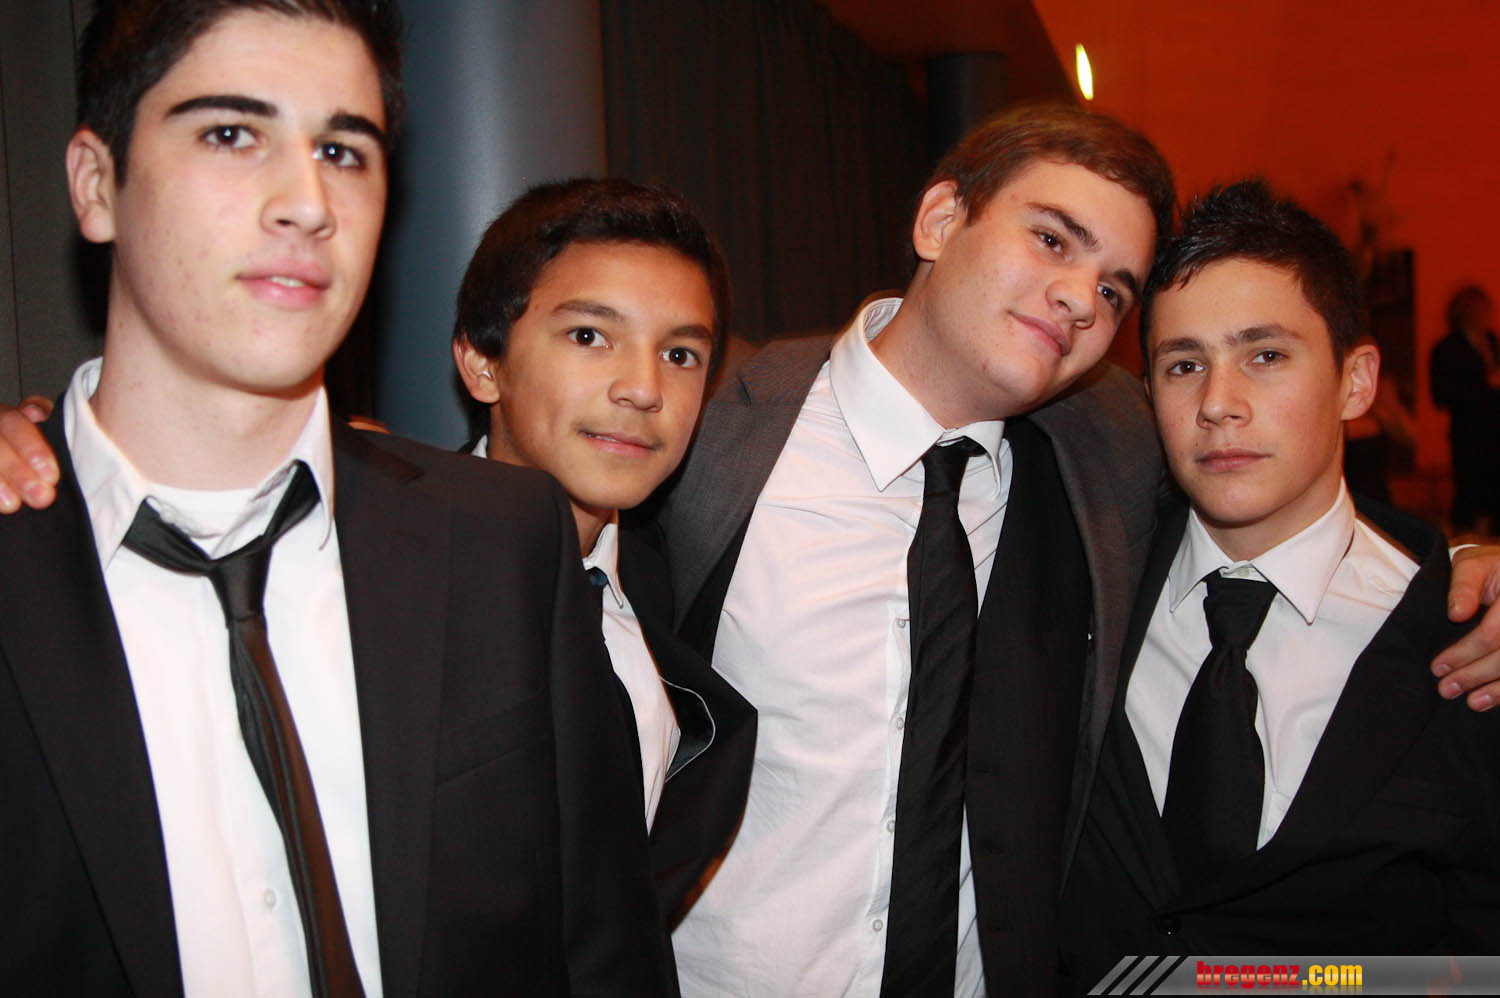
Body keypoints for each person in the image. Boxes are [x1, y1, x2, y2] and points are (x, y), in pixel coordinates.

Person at [651, 104, 1500, 996]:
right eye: (1053, 239)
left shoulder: (1095, 460)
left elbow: (1295, 499)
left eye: (1113, 291)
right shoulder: (711, 427)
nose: (1079, 299)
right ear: (939, 220)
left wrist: (1466, 561)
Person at [0, 1, 671, 994]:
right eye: (232, 134)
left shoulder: (500, 542)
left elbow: (604, 955)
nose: (307, 202)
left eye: (344, 151)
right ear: (98, 184)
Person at [1059, 181, 1500, 991]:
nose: (1219, 405)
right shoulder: (1087, 578)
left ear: (1356, 381)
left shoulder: (1463, 640)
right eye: (1184, 364)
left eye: (1265, 355)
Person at [449, 177, 755, 925]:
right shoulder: (384, 587)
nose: (644, 389)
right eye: (589, 336)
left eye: (680, 353)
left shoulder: (661, 583)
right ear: (484, 362)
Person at [1430, 285, 1500, 533]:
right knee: (1471, 491)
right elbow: (1441, 395)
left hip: (1495, 431)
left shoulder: (1491, 341)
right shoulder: (1447, 349)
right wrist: (1484, 386)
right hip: (1469, 432)